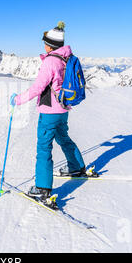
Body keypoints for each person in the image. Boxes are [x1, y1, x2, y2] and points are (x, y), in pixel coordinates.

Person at [10, 22, 90, 209]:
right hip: (63, 109)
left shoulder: (50, 61)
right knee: (63, 138)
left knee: (44, 147)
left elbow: (38, 88)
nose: (43, 44)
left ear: (50, 44)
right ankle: (76, 167)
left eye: (45, 41)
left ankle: (43, 188)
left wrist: (18, 100)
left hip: (49, 112)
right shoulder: (66, 58)